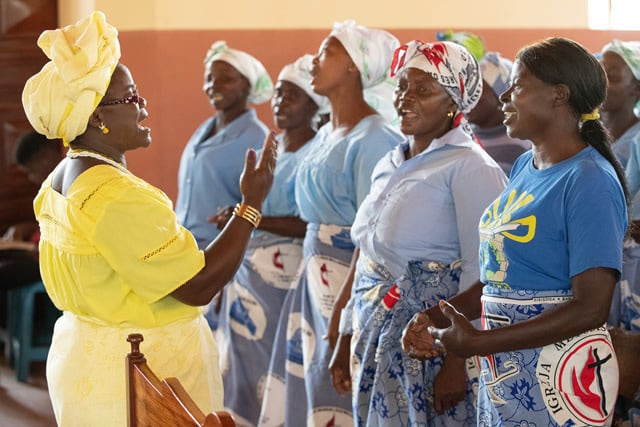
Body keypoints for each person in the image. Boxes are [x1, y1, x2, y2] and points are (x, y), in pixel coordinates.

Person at [21, 12, 276, 425]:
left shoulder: (60, 178)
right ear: (97, 117)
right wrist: (251, 205)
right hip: (143, 375)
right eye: (130, 97)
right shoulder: (113, 194)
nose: (143, 104)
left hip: (93, 356)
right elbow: (197, 285)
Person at [401, 37, 629, 427]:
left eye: (518, 85)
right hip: (506, 370)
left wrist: (479, 343)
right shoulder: (526, 166)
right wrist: (434, 316)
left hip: (558, 376)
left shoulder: (589, 179)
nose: (505, 95)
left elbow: (592, 307)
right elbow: (499, 281)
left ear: (560, 95)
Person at [328, 40, 507, 426]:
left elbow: (486, 275)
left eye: (422, 89)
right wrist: (344, 331)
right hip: (375, 329)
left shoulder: (471, 168)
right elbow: (366, 253)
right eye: (402, 87)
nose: (405, 99)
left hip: (433, 343)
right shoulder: (391, 160)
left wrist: (457, 362)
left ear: (454, 101)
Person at [258, 20, 403, 427]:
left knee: (342, 382)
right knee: (314, 384)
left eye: (327, 52)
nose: (316, 61)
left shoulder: (374, 138)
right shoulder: (326, 135)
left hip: (346, 279)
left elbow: (371, 238)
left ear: (355, 66)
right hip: (314, 274)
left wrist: (344, 313)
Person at [208, 54, 328, 426]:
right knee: (238, 369)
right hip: (248, 277)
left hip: (282, 280)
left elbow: (309, 222)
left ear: (315, 105)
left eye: (293, 95)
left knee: (271, 370)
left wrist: (251, 216)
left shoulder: (315, 155)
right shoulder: (272, 151)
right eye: (278, 93)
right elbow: (257, 206)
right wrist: (238, 213)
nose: (280, 102)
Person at [176, 40, 273, 249]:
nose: (214, 86)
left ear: (247, 85)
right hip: (185, 245)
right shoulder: (204, 129)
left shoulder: (256, 138)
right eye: (209, 79)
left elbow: (262, 205)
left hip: (221, 249)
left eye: (225, 79)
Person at [599, 39, 640, 426]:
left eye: (613, 76)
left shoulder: (636, 144)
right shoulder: (589, 141)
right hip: (612, 273)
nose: (602, 83)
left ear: (637, 88)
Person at [0, 131, 62, 290]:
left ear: (45, 159)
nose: (31, 178)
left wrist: (33, 250)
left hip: (48, 259)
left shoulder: (68, 184)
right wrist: (24, 228)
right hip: (35, 252)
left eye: (31, 172)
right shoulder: (50, 187)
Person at [466, 52, 531, 176]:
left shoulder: (520, 146)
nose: (468, 96)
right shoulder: (461, 137)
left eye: (477, 89)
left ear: (501, 97)